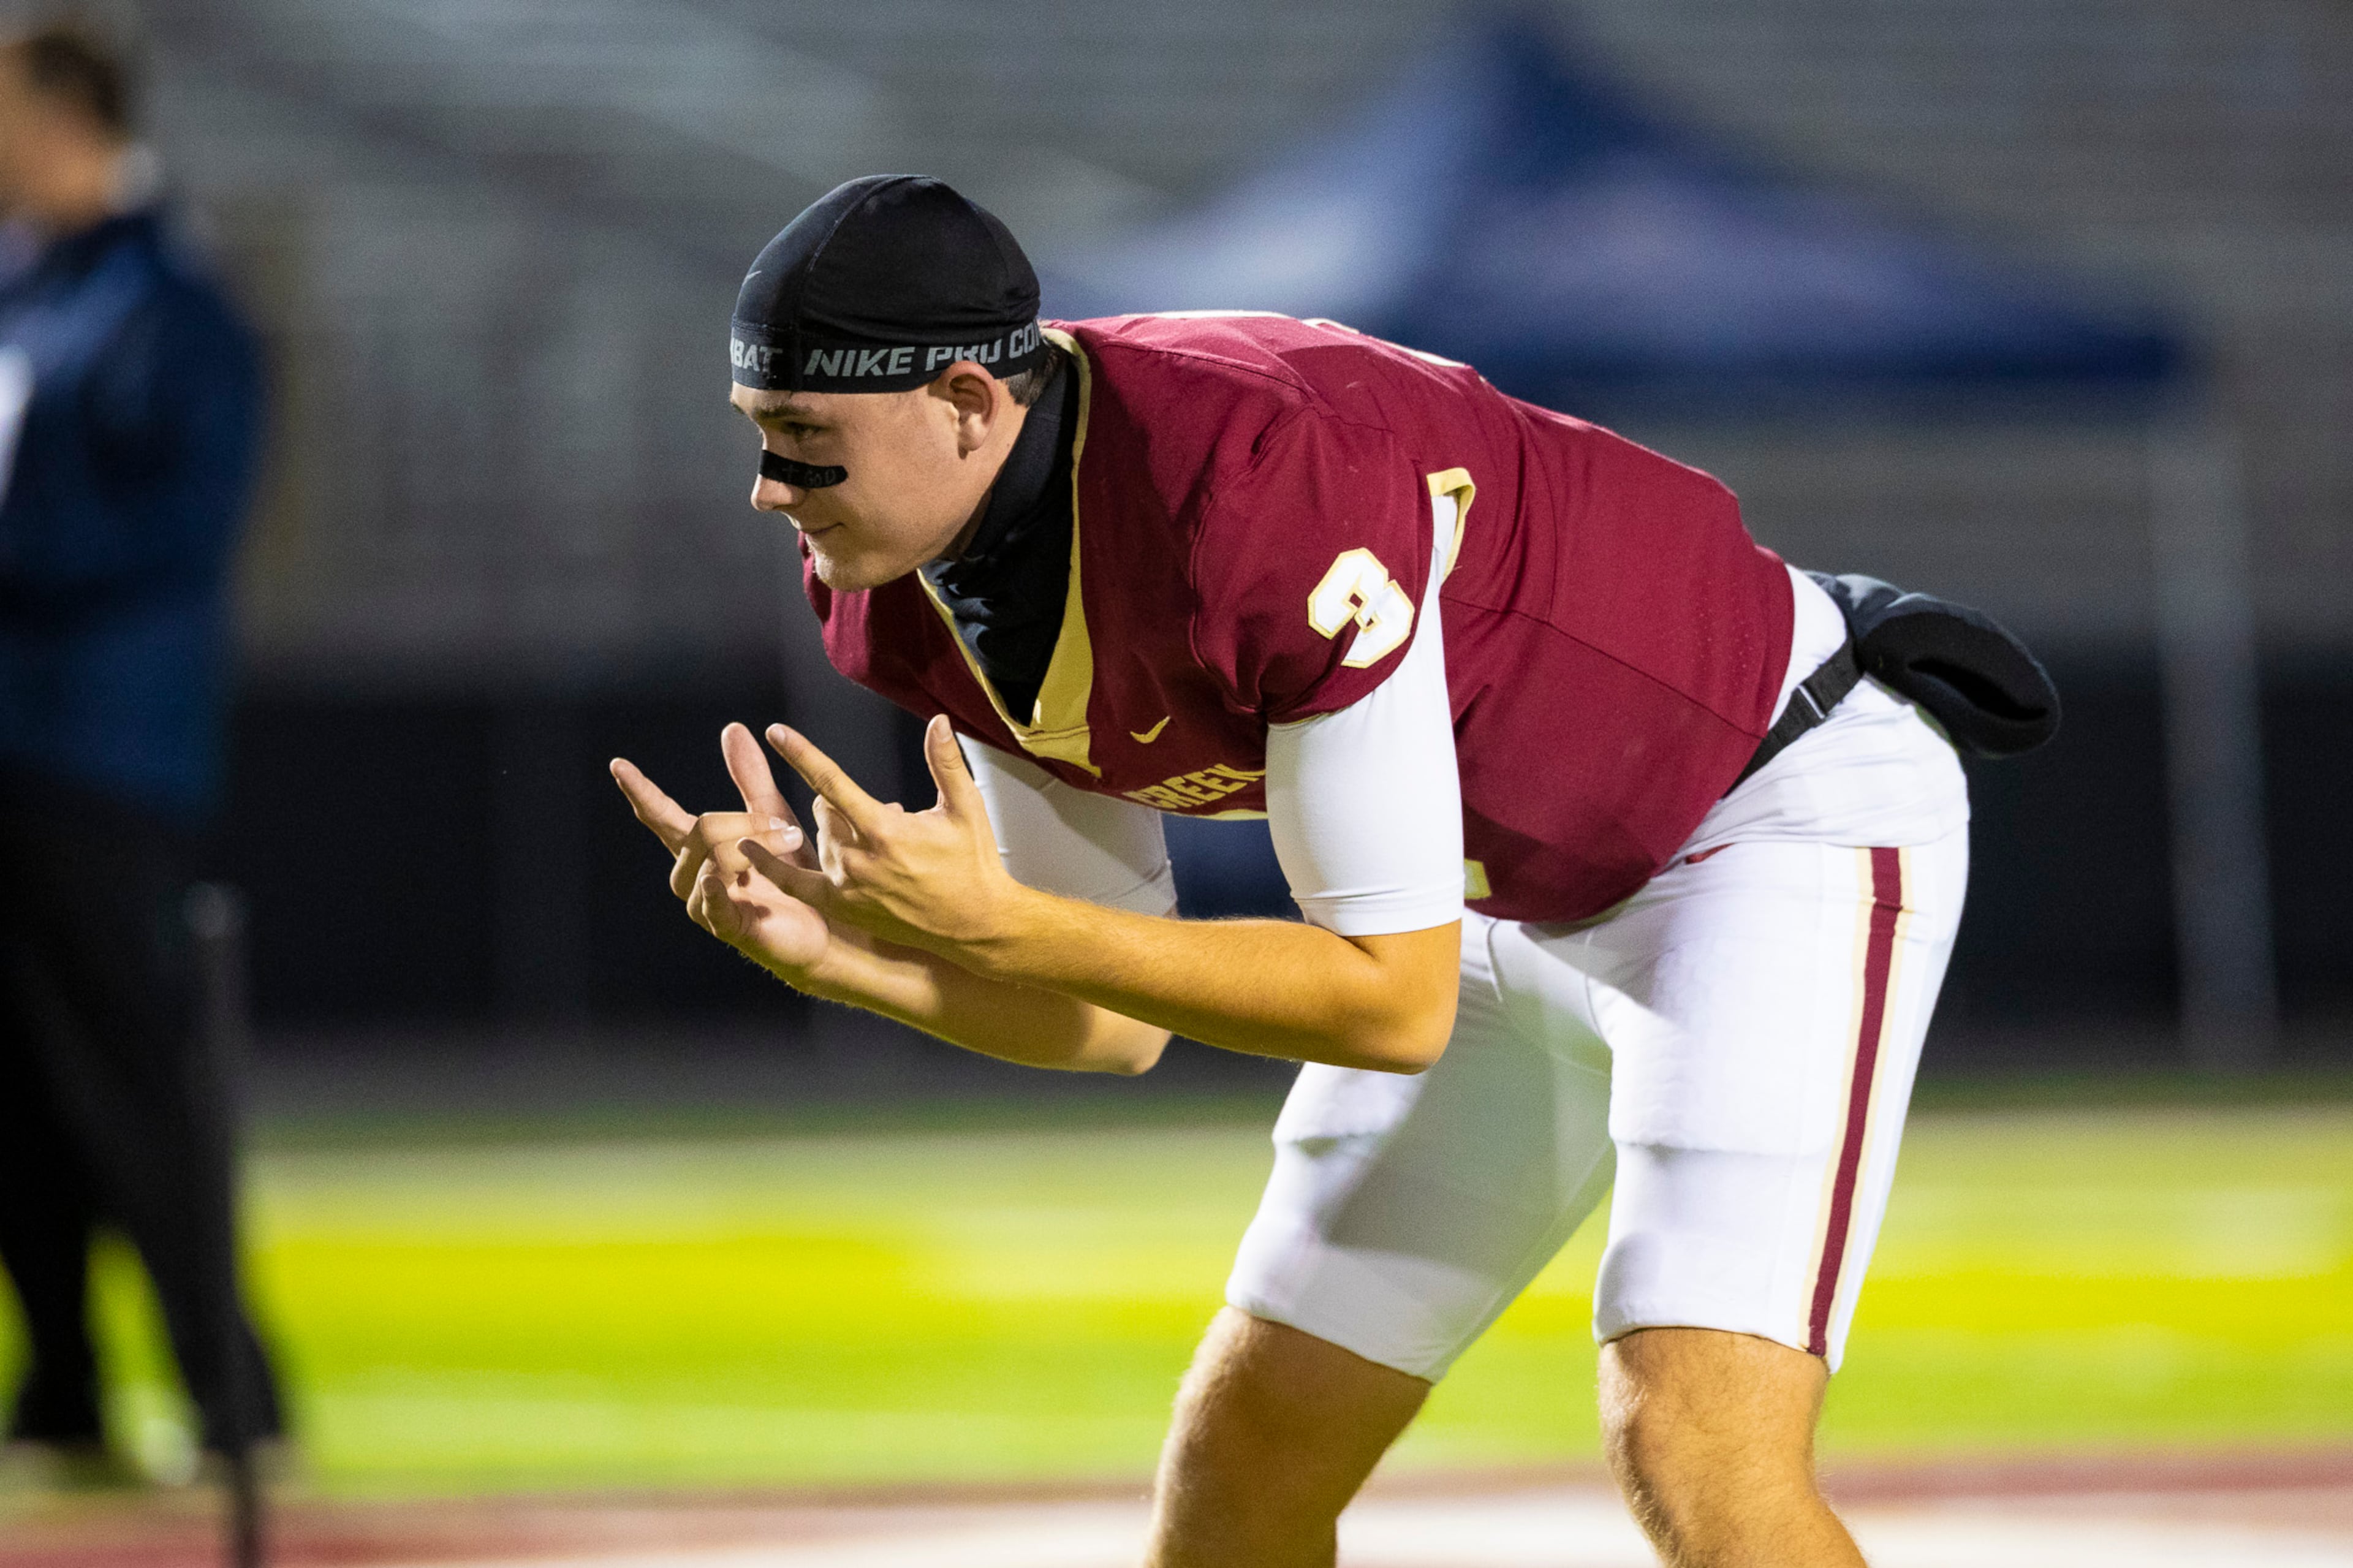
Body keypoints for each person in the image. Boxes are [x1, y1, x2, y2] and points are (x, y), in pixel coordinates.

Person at [616, 175, 2048, 1567]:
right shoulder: (912, 577)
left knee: (1696, 1447)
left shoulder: (1248, 481)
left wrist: (999, 919)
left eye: (804, 435)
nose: (768, 488)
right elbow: (1100, 1017)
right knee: (1244, 1464)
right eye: (758, 432)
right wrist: (847, 953)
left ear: (971, 404)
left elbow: (1388, 1002)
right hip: (1496, 892)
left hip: (1753, 815)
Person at [0, 15, 281, 1482]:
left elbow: (179, 529)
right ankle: (59, 1384)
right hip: (10, 734)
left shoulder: (176, 303)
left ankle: (230, 1391)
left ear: (60, 113)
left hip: (105, 746)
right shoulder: (21, 292)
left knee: (135, 1068)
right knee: (16, 1088)